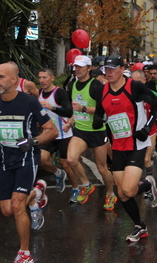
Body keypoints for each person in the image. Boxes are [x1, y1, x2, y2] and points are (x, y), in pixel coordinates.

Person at [0, 63, 58, 263]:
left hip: (27, 159)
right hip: (5, 160)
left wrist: (33, 142)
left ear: (14, 79)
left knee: (18, 205)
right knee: (7, 209)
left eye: (1, 77)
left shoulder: (29, 102)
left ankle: (24, 253)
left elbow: (51, 130)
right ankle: (36, 193)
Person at [94, 54, 157, 242]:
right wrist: (99, 120)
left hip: (136, 144)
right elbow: (99, 114)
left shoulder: (134, 87)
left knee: (129, 190)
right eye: (106, 69)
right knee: (122, 194)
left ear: (123, 69)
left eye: (113, 68)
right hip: (118, 146)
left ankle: (147, 184)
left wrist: (147, 127)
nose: (109, 72)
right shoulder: (103, 90)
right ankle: (140, 226)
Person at [67, 55, 116, 211]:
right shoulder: (72, 85)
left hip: (96, 130)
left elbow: (104, 109)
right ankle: (86, 184)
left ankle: (110, 193)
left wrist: (83, 109)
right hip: (80, 130)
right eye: (76, 67)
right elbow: (74, 107)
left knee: (102, 168)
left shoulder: (96, 86)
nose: (77, 69)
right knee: (71, 159)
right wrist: (70, 122)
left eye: (81, 67)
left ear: (89, 68)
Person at [37, 68, 79, 202]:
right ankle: (58, 173)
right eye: (40, 78)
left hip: (63, 134)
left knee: (66, 164)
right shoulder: (40, 93)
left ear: (52, 78)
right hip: (49, 134)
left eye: (45, 77)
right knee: (41, 159)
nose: (42, 81)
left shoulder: (60, 93)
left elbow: (68, 112)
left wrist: (52, 108)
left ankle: (75, 188)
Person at [131, 70, 157, 177]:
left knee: (146, 159)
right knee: (134, 160)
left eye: (138, 82)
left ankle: (149, 187)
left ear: (144, 81)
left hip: (150, 130)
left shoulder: (152, 94)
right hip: (134, 131)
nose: (135, 85)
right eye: (133, 82)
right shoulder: (128, 95)